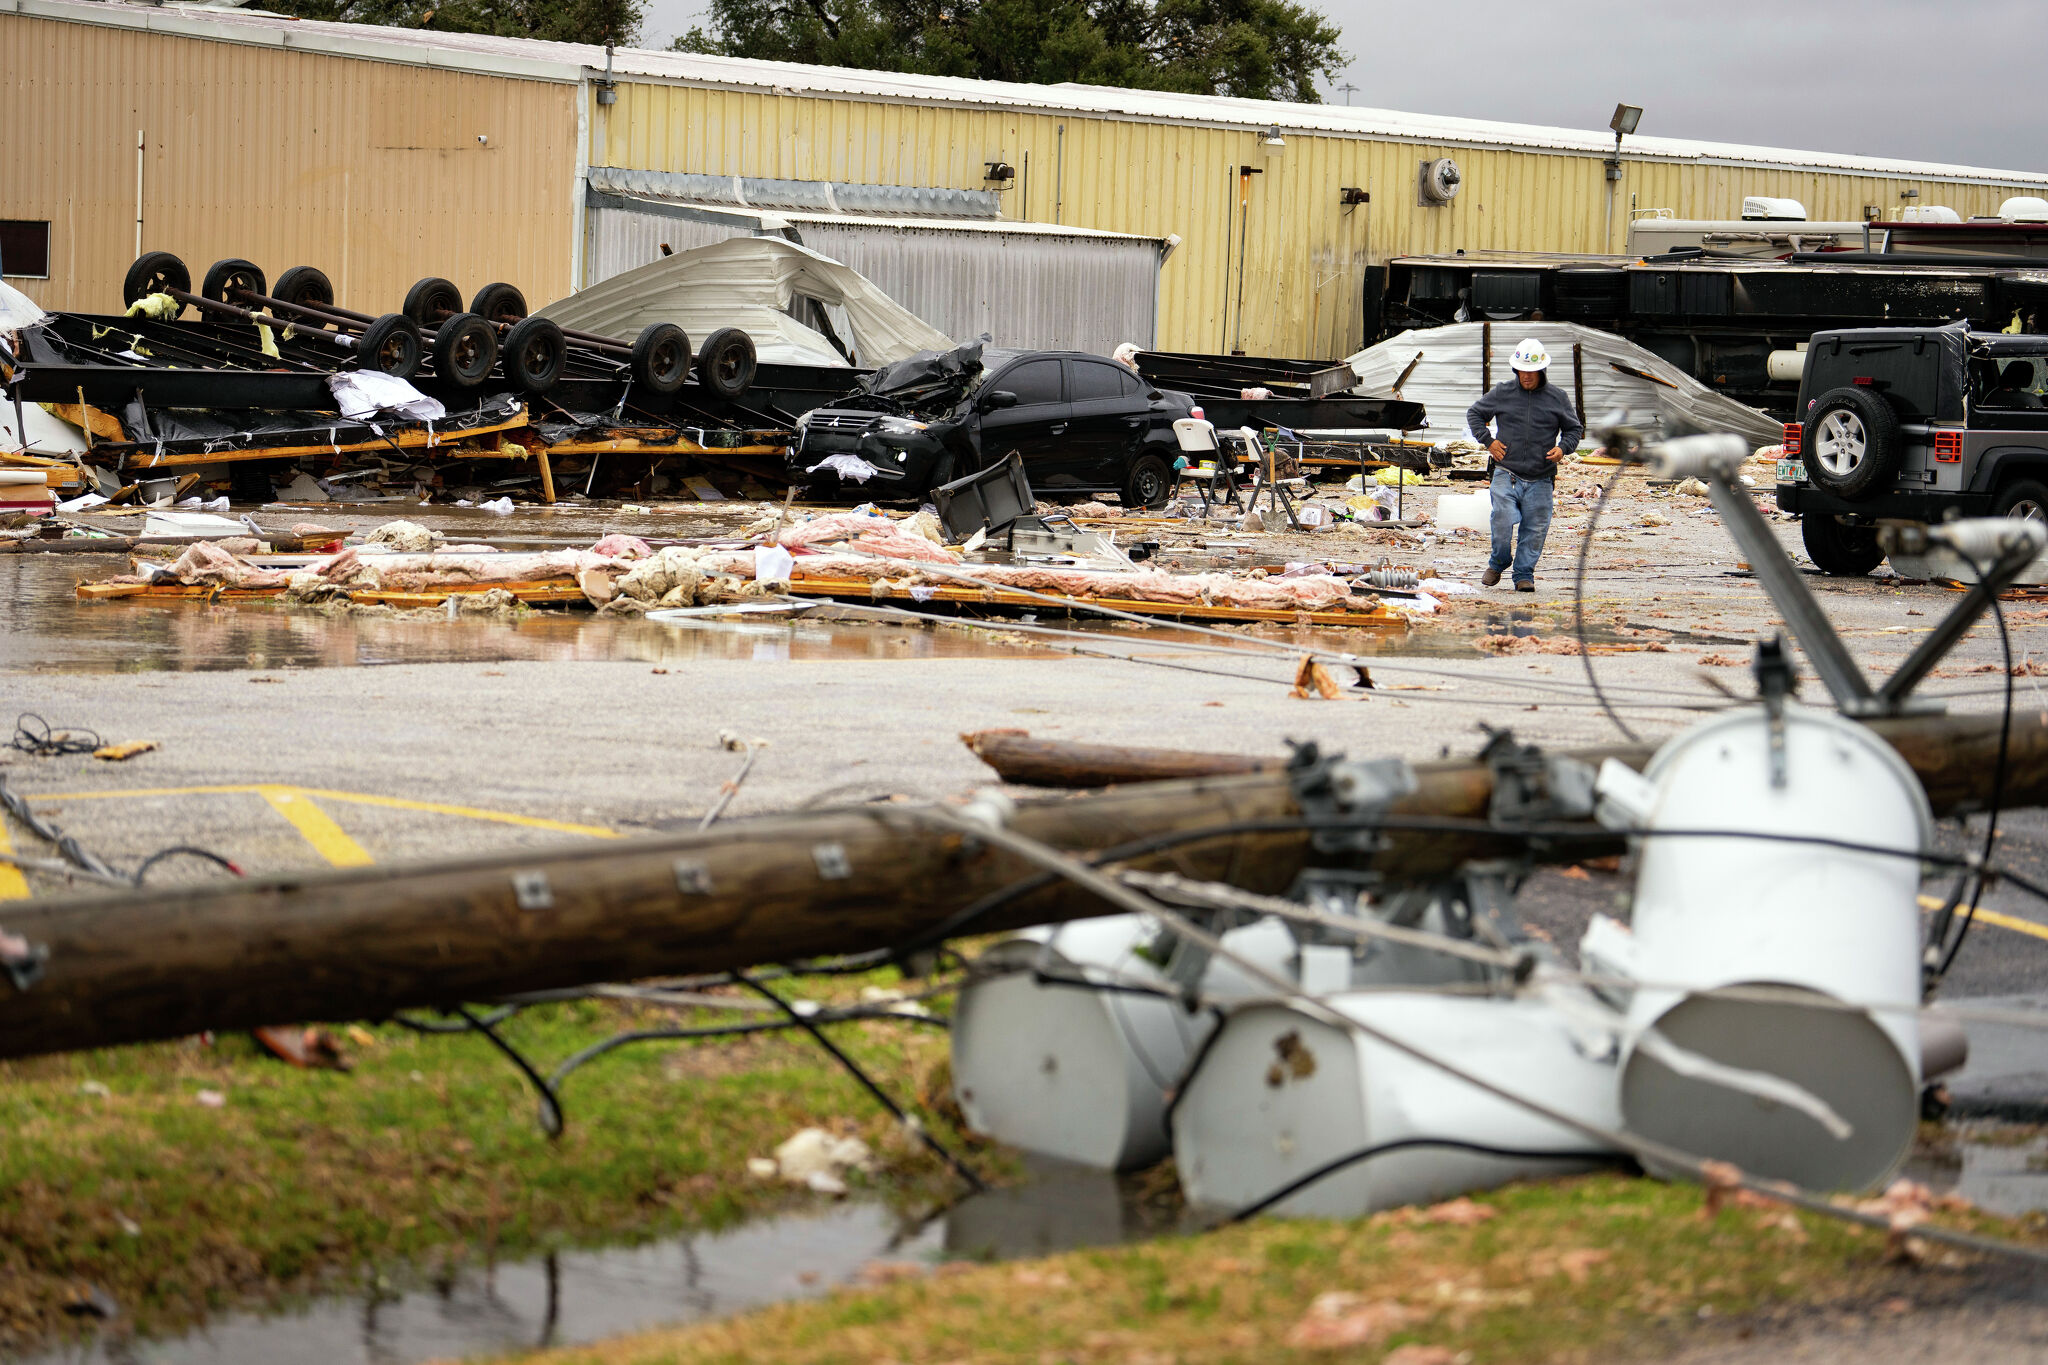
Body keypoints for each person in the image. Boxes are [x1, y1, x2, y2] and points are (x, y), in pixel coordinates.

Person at [1465, 338, 1584, 591]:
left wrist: (1563, 449)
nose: (1526, 377)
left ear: (1541, 370)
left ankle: (1523, 576)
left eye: (1531, 372)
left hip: (1541, 477)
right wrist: (1488, 441)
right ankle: (1498, 562)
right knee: (1502, 518)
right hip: (1506, 471)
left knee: (1535, 528)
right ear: (1515, 370)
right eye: (1521, 371)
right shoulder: (1502, 392)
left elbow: (1574, 429)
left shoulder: (1557, 398)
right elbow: (1475, 413)